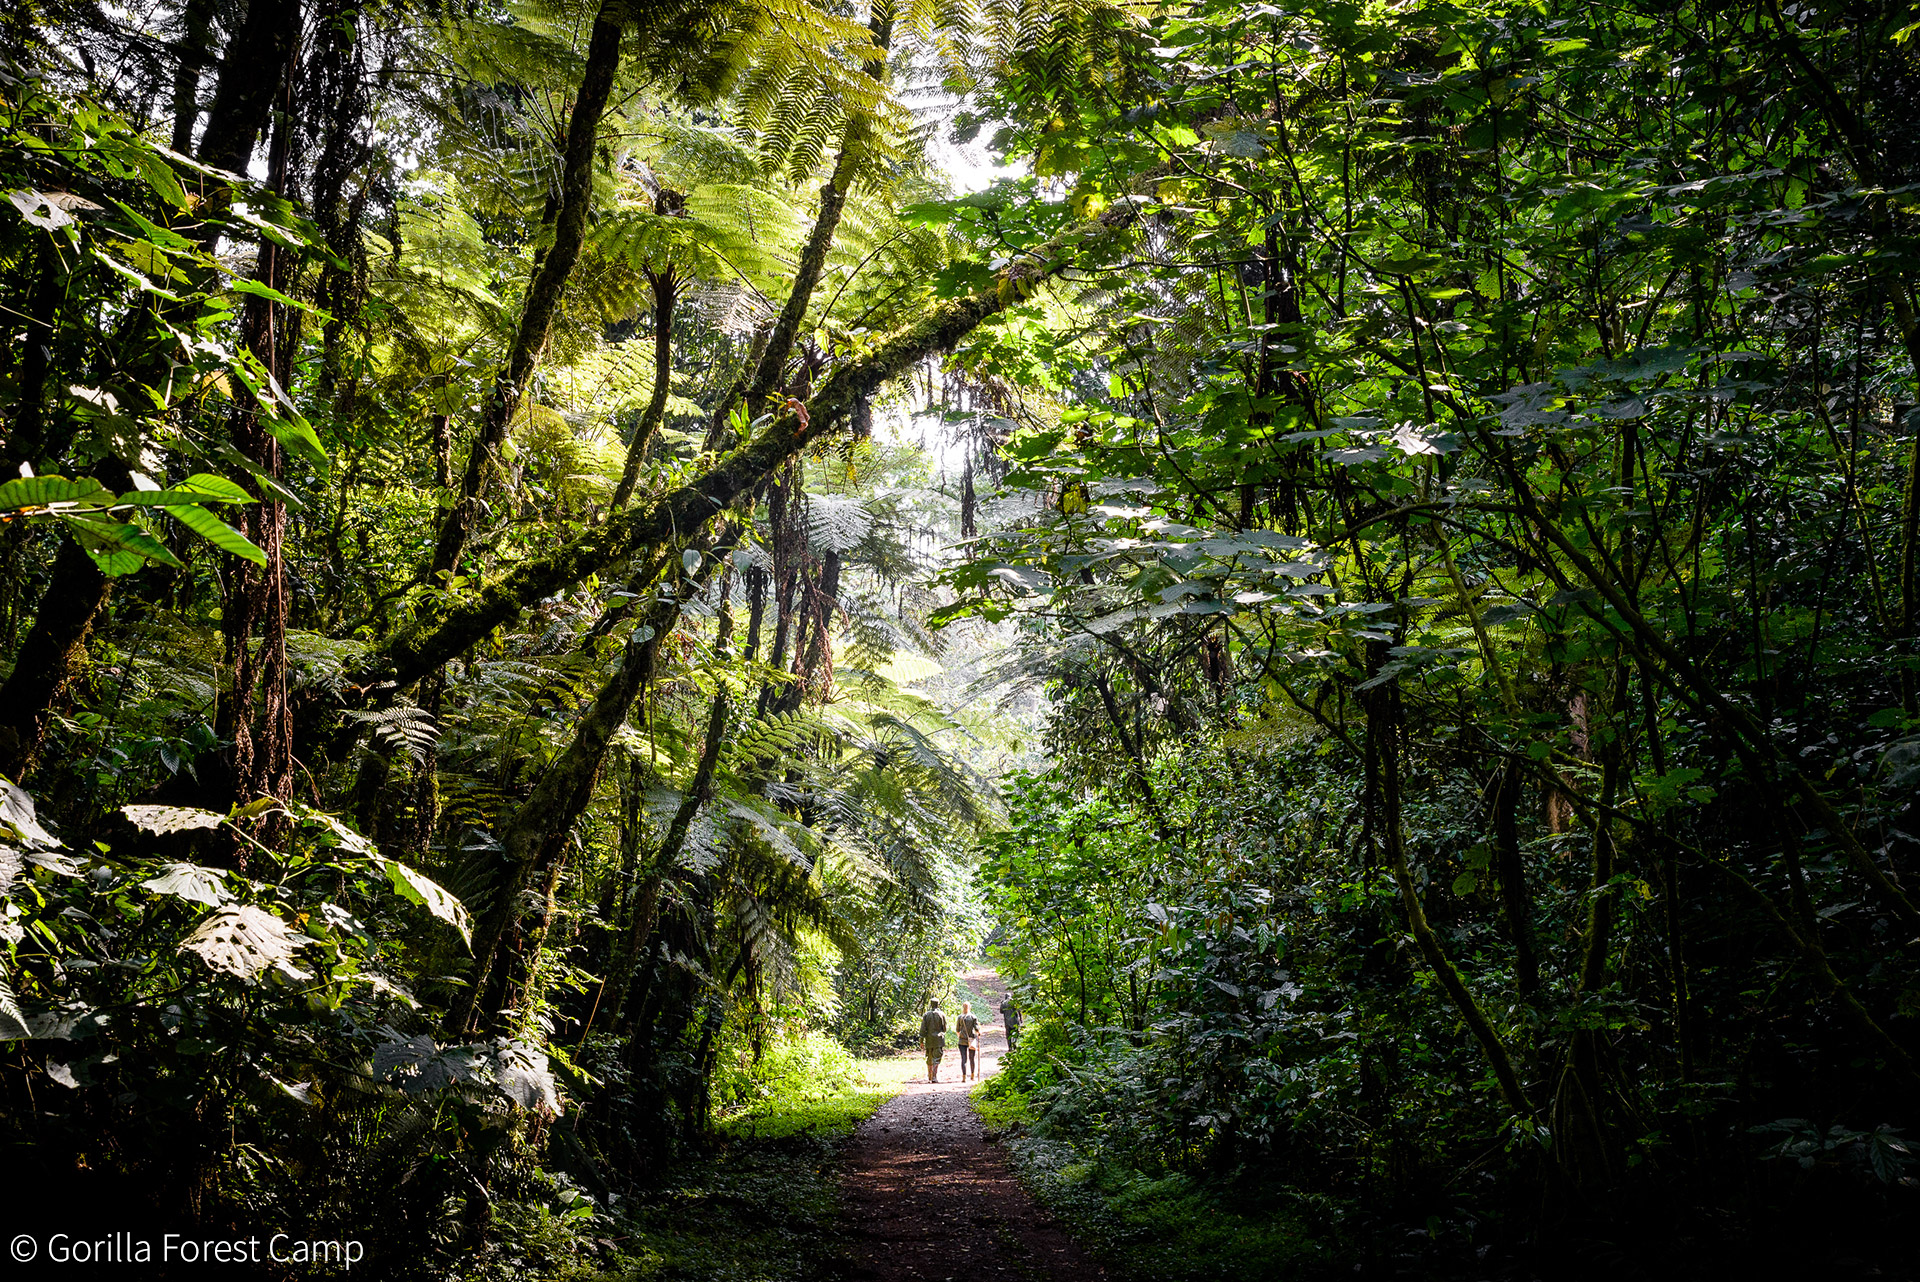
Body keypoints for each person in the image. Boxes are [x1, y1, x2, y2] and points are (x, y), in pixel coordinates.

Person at [920, 999, 947, 1083]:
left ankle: (930, 1077)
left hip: (929, 1039)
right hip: (938, 1040)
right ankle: (934, 1077)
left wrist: (921, 1040)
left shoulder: (926, 1015)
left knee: (929, 1057)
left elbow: (923, 1029)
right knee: (937, 1058)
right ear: (938, 1004)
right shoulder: (942, 1015)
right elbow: (944, 1028)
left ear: (930, 1004)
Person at [955, 1002, 981, 1081]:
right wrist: (979, 1033)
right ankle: (972, 1075)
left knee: (964, 1059)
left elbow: (957, 1030)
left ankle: (964, 1076)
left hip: (962, 1041)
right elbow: (977, 1029)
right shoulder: (973, 1017)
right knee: (972, 1058)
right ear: (970, 1007)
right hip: (971, 1040)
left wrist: (960, 1036)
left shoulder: (960, 1017)